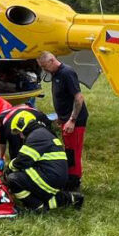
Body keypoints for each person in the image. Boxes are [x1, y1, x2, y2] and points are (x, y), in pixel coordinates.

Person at [3, 110, 82, 212]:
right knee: (33, 187)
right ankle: (71, 197)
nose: (20, 136)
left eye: (20, 132)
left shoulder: (36, 136)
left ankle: (37, 206)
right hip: (54, 176)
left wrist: (9, 167)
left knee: (13, 179)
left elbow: (23, 161)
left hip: (50, 176)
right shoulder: (41, 133)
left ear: (24, 126)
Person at [38, 51, 87, 191]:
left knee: (73, 151)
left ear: (52, 60)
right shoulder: (55, 74)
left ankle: (74, 183)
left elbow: (79, 98)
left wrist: (72, 120)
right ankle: (70, 178)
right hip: (65, 118)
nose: (44, 70)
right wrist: (60, 117)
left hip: (75, 120)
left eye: (45, 66)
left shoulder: (67, 73)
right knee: (68, 149)